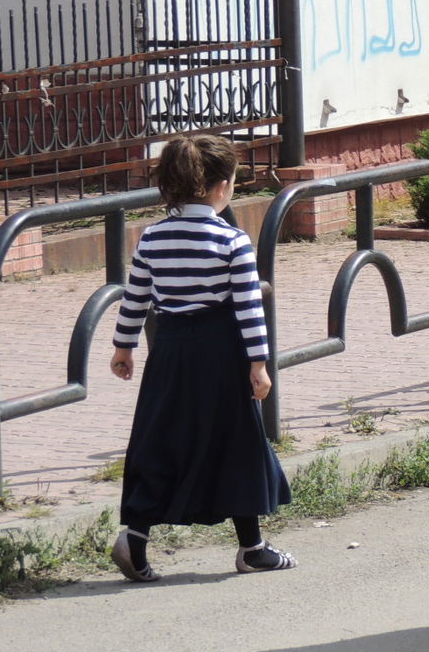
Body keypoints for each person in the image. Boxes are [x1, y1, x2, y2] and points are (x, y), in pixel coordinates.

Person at [109, 134, 295, 581]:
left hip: (169, 350)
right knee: (237, 442)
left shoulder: (151, 237)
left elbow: (135, 299)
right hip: (220, 352)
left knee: (160, 437)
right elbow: (249, 308)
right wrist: (258, 364)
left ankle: (134, 537)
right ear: (221, 188)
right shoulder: (231, 240)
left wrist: (123, 346)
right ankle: (252, 548)